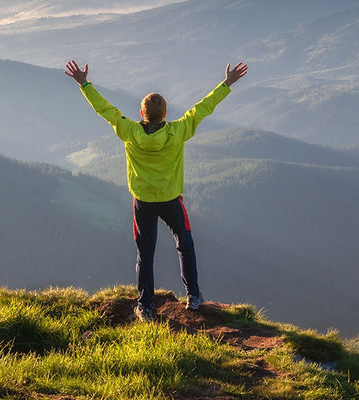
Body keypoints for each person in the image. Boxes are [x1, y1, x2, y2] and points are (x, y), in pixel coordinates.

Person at [65, 60, 248, 321]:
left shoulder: (129, 131)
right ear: (164, 114)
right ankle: (194, 297)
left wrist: (84, 83)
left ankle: (146, 307)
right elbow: (203, 108)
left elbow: (104, 110)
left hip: (143, 203)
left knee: (145, 255)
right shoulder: (178, 131)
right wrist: (227, 83)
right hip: (172, 200)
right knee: (185, 245)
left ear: (142, 114)